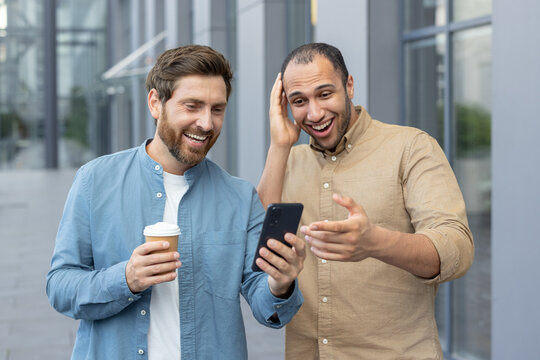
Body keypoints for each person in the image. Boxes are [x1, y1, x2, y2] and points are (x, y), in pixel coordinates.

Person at [46, 45, 306, 360]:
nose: (207, 123)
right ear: (156, 103)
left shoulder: (239, 197)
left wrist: (280, 283)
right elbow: (60, 286)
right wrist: (126, 279)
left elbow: (268, 308)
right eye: (192, 106)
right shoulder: (95, 180)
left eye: (217, 109)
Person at [257, 42, 474, 359]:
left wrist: (376, 242)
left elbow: (458, 248)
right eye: (299, 101)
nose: (315, 113)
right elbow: (261, 248)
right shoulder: (287, 161)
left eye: (325, 94)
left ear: (349, 86)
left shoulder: (411, 147)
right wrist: (279, 146)